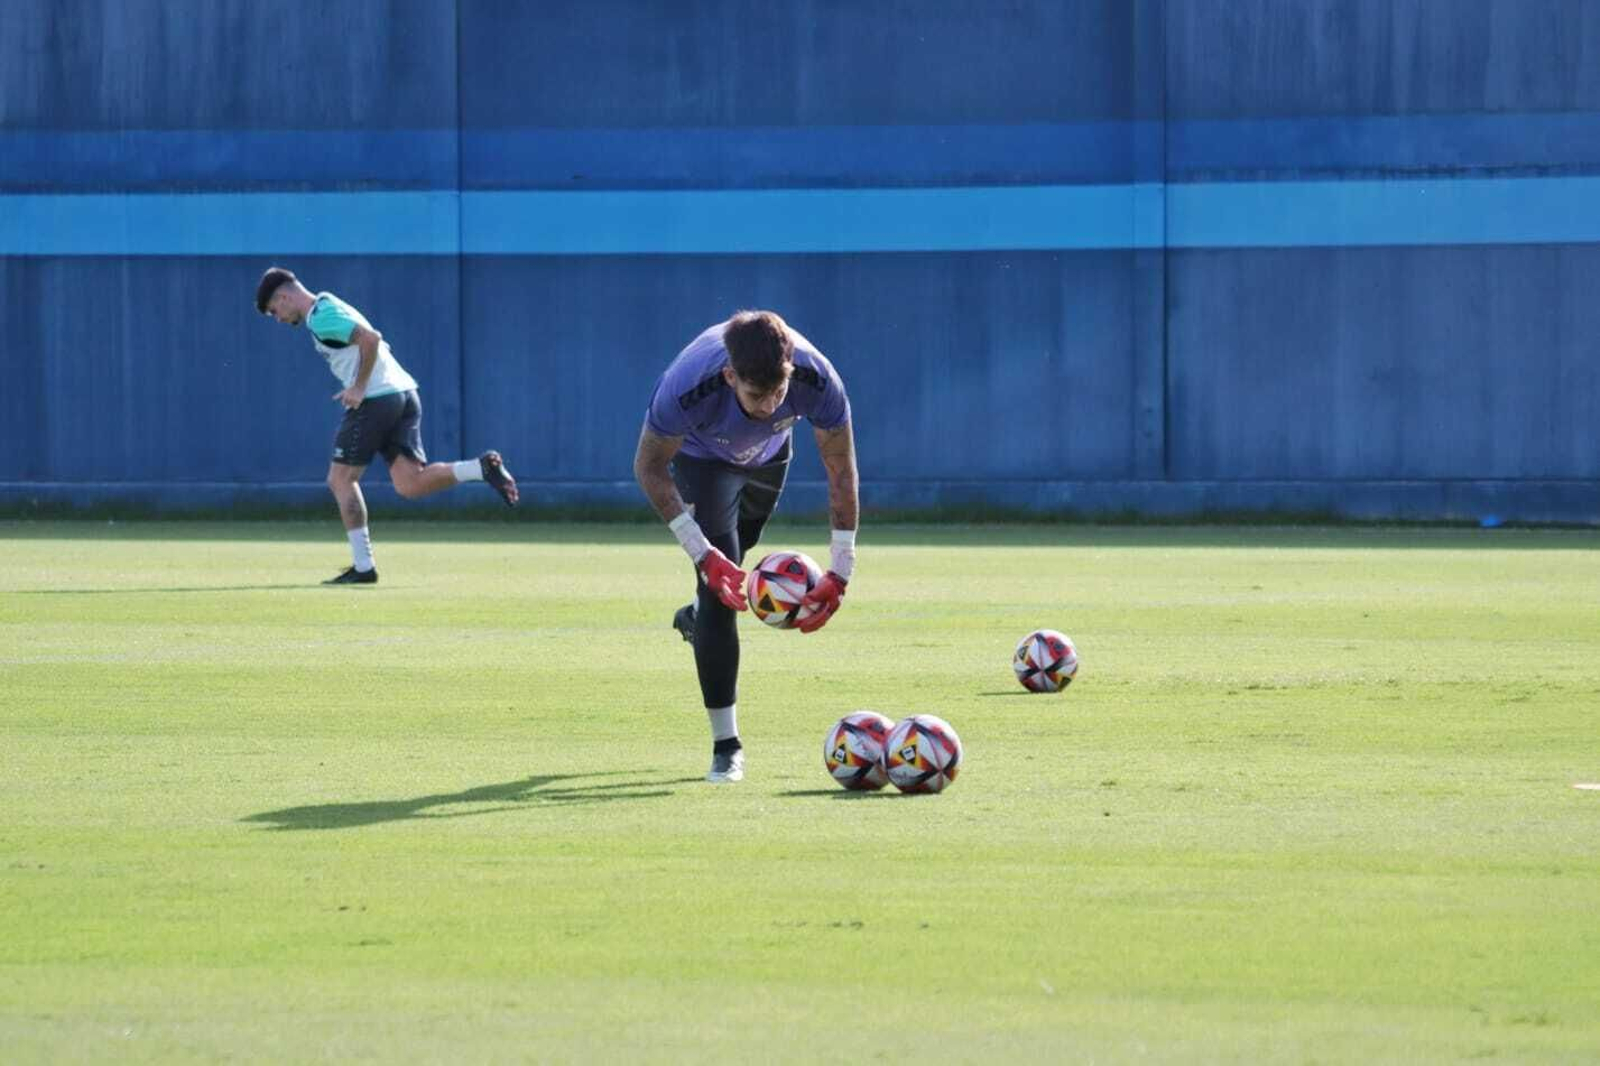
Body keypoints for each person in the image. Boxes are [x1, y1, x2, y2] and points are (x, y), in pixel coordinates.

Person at [633, 310, 859, 783]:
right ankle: (726, 746)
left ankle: (697, 613)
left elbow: (840, 468)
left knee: (735, 568)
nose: (769, 405)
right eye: (756, 395)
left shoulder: (818, 378)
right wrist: (700, 553)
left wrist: (840, 572)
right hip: (703, 461)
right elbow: (649, 467)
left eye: (779, 393)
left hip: (770, 458)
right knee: (720, 588)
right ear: (729, 375)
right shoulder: (687, 386)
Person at [255, 267, 519, 584]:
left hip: (377, 398)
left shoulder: (319, 316)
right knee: (411, 484)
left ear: (283, 297)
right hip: (404, 393)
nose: (278, 318)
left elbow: (371, 339)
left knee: (340, 479)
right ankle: (480, 468)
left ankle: (364, 566)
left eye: (274, 311)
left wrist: (358, 388)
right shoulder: (328, 302)